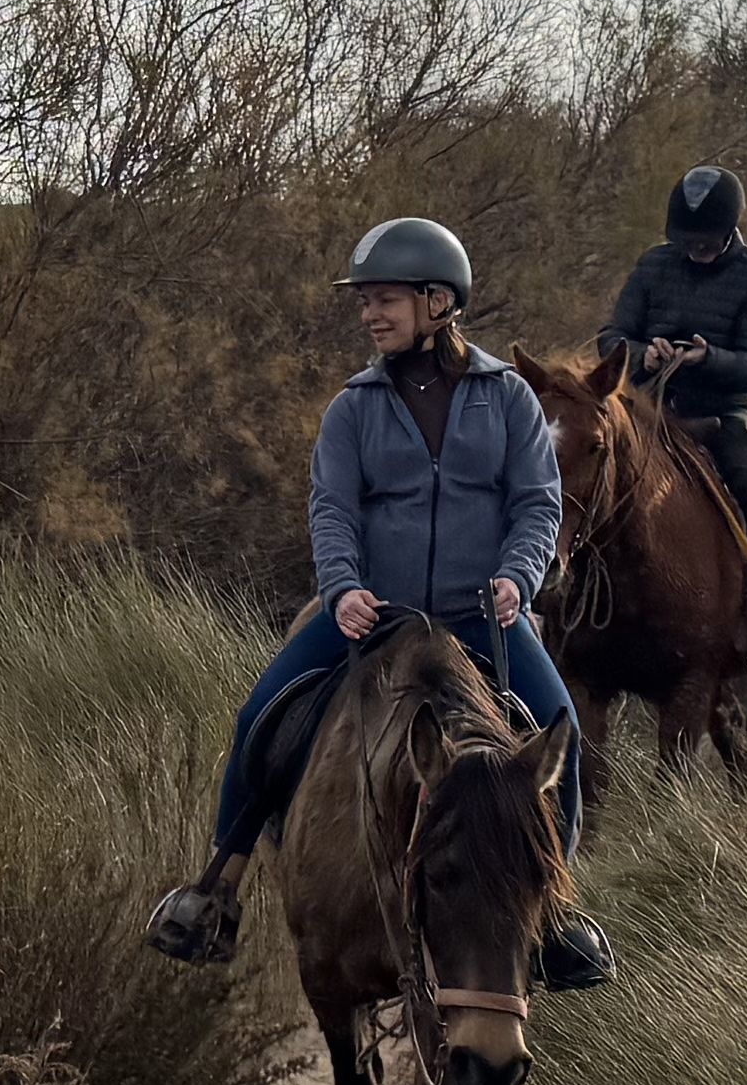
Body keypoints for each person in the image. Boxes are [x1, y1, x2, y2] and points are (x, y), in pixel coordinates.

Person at [149, 217, 615, 988]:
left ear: (439, 302)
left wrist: (518, 576)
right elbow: (332, 508)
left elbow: (538, 503)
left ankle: (553, 915)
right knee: (260, 717)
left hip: (482, 617)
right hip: (375, 616)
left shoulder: (508, 399)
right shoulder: (353, 407)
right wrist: (342, 589)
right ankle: (216, 891)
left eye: (385, 299)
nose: (369, 314)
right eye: (364, 301)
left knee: (556, 738)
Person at [587, 163, 747, 662]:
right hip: (647, 411)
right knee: (584, 465)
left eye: (706, 240)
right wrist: (644, 355)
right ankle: (562, 589)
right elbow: (612, 337)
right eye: (688, 239)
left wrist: (710, 358)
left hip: (720, 414)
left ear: (728, 230)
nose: (696, 247)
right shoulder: (653, 265)